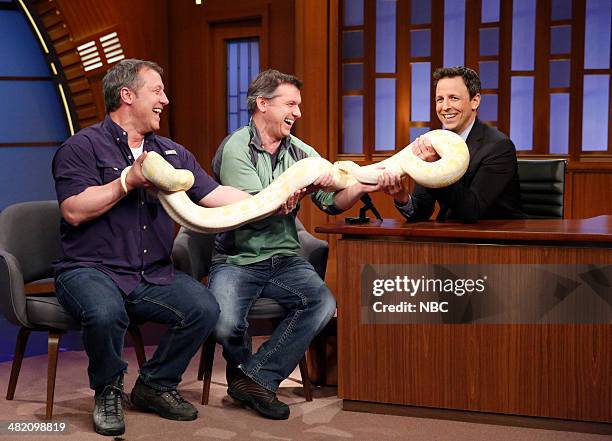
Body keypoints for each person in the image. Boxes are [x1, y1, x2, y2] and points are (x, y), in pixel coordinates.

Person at [52, 59, 263, 436]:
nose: (165, 99)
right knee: (104, 312)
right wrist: (127, 182)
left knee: (203, 308)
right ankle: (108, 390)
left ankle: (155, 384)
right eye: (157, 91)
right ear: (127, 95)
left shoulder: (172, 152)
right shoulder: (81, 147)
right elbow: (73, 210)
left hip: (151, 273)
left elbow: (214, 194)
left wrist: (269, 199)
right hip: (89, 268)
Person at [208, 69, 381, 420]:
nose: (298, 113)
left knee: (321, 303)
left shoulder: (300, 151)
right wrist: (281, 198)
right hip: (237, 258)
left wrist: (363, 184)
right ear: (263, 104)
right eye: (291, 104)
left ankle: (255, 378)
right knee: (225, 323)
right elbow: (252, 208)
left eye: (298, 105)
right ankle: (248, 378)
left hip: (284, 257)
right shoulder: (235, 148)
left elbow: (332, 202)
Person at [380, 66, 524, 222]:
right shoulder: (433, 144)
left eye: (454, 98)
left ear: (474, 101)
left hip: (496, 239)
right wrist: (403, 198)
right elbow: (421, 211)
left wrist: (435, 168)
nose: (445, 107)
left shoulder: (499, 146)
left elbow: (472, 210)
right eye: (440, 99)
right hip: (451, 237)